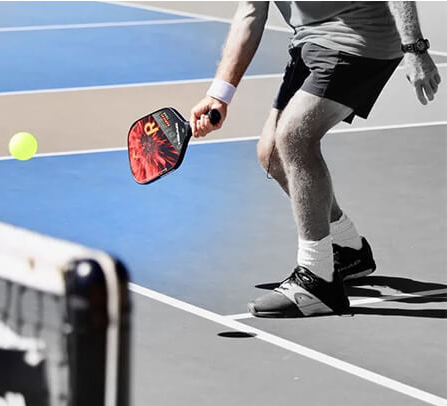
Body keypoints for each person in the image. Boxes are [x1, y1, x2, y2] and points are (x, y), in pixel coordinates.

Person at [189, 2, 441, 317]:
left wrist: (414, 49)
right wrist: (220, 94)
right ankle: (348, 249)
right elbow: (251, 12)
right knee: (272, 154)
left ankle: (317, 280)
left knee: (295, 136)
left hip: (361, 37)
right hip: (311, 41)